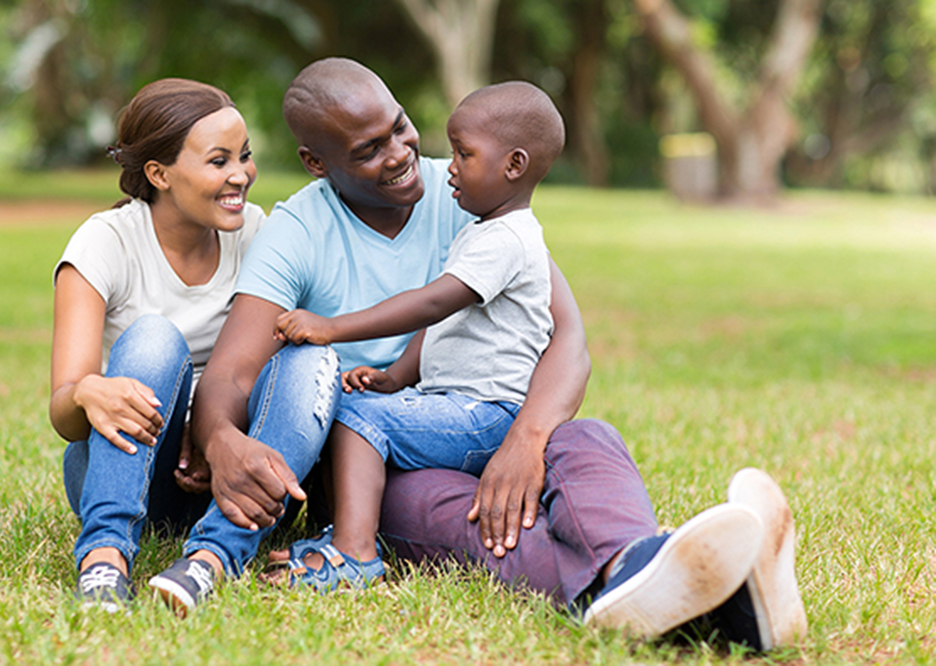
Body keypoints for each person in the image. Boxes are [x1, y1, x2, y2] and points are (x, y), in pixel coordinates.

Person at [190, 57, 807, 650]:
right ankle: (723, 608)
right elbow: (233, 371)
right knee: (483, 522)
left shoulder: (468, 192)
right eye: (368, 150)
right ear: (315, 163)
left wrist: (527, 439)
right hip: (385, 470)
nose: (401, 153)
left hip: (486, 418)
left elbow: (566, 335)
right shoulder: (298, 231)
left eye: (400, 126)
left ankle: (637, 562)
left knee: (588, 439)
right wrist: (218, 437)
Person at [51, 78, 341, 613]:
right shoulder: (105, 243)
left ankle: (210, 561)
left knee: (314, 356)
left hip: (230, 477)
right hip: (134, 469)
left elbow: (284, 364)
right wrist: (88, 392)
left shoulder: (258, 234)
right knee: (154, 338)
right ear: (159, 174)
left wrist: (217, 437)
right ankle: (104, 558)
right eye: (218, 161)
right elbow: (65, 414)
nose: (241, 175)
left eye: (245, 156)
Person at [271, 81, 560, 589]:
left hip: (485, 415)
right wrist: (395, 376)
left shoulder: (508, 240)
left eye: (464, 155)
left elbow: (431, 303)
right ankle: (350, 535)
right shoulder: (483, 230)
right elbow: (445, 324)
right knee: (364, 408)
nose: (448, 166)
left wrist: (331, 328)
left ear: (513, 166)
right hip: (462, 406)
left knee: (358, 418)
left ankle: (354, 554)